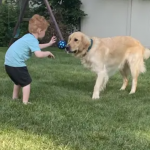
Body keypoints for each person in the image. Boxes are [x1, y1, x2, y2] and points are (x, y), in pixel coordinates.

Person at [4, 14, 57, 104]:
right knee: (26, 83)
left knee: (18, 81)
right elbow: (38, 54)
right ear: (40, 30)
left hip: (8, 64)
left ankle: (15, 97)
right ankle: (25, 102)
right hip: (17, 64)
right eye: (45, 31)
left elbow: (35, 47)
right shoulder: (32, 40)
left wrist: (49, 44)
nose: (45, 32)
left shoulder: (28, 37)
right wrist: (47, 52)